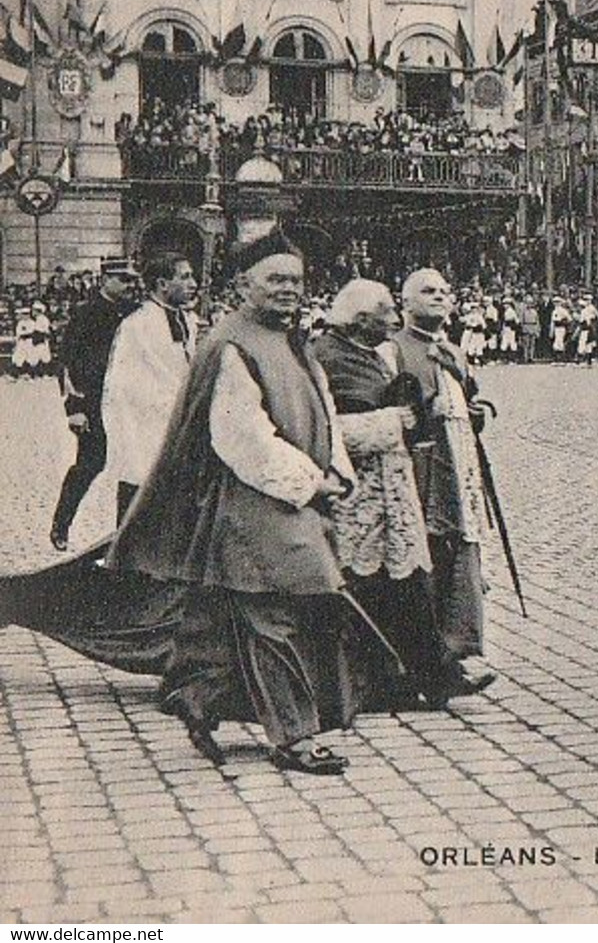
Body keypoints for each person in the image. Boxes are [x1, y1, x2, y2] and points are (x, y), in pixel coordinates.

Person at [107, 233, 369, 774]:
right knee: (280, 611)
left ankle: (197, 697)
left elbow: (322, 409)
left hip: (292, 501)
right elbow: (241, 437)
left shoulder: (293, 341)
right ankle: (294, 736)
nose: (288, 290)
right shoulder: (231, 344)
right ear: (242, 285)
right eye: (275, 279)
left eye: (295, 280)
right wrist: (309, 481)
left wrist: (337, 469)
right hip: (253, 504)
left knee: (234, 614)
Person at [312, 280, 439, 711]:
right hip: (356, 495)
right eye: (386, 312)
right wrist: (391, 422)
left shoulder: (378, 354)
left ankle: (423, 675)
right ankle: (380, 683)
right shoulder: (326, 356)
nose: (394, 320)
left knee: (402, 583)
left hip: (390, 489)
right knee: (367, 588)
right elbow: (329, 430)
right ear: (360, 319)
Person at [393, 269, 499, 704]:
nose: (438, 297)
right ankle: (417, 665)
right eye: (427, 291)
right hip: (420, 469)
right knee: (426, 560)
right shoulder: (395, 349)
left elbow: (470, 397)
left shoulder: (454, 351)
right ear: (406, 302)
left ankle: (453, 653)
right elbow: (393, 408)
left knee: (457, 555)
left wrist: (475, 410)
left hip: (458, 467)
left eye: (443, 291)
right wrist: (424, 410)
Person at [50, 257, 141, 551]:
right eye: (123, 279)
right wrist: (74, 408)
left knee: (131, 467)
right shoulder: (85, 313)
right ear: (105, 279)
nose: (130, 285)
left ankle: (123, 536)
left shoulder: (134, 313)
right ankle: (61, 525)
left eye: (132, 280)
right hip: (92, 405)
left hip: (125, 405)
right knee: (90, 464)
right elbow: (66, 363)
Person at [102, 251, 199, 522]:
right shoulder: (137, 325)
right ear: (162, 284)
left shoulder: (187, 320)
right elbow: (121, 383)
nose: (194, 283)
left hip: (178, 423)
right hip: (144, 427)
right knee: (139, 491)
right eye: (185, 277)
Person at [518, 295, 542, 363]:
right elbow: (521, 321)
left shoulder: (534, 311)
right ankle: (525, 357)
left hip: (533, 327)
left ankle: (531, 357)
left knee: (532, 344)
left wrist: (537, 329)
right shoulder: (523, 312)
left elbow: (537, 321)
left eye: (530, 303)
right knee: (526, 344)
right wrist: (522, 328)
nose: (529, 304)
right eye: (528, 303)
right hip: (526, 327)